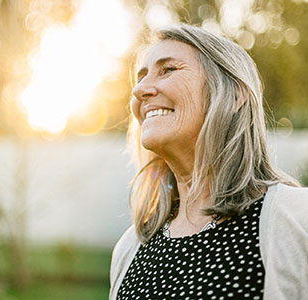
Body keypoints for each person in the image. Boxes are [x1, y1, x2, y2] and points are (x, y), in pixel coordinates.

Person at [110, 24, 308, 300]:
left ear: (235, 94)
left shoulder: (297, 218)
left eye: (168, 70)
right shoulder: (130, 248)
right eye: (141, 76)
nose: (139, 90)